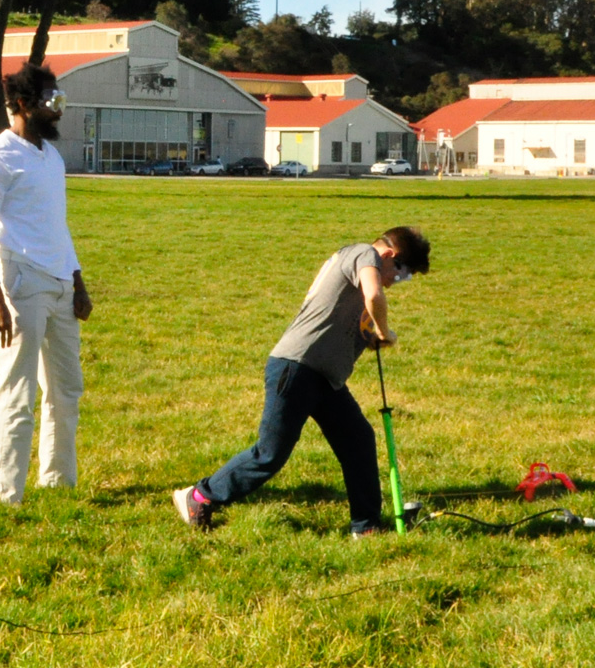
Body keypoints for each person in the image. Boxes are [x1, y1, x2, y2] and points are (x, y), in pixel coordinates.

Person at [173, 227, 431, 536]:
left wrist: (372, 338)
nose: (394, 282)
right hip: (296, 369)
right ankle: (199, 496)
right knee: (270, 454)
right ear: (390, 255)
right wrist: (384, 331)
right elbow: (374, 296)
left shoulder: (357, 272)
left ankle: (365, 528)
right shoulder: (365, 254)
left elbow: (347, 320)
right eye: (399, 274)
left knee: (359, 442)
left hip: (326, 379)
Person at [0, 63, 93, 504]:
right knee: (16, 392)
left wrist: (78, 283)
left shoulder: (51, 157)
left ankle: (58, 483)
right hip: (20, 284)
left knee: (66, 390)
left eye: (59, 100)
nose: (58, 109)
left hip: (59, 285)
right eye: (50, 101)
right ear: (24, 105)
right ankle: (6, 495)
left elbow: (58, 225)